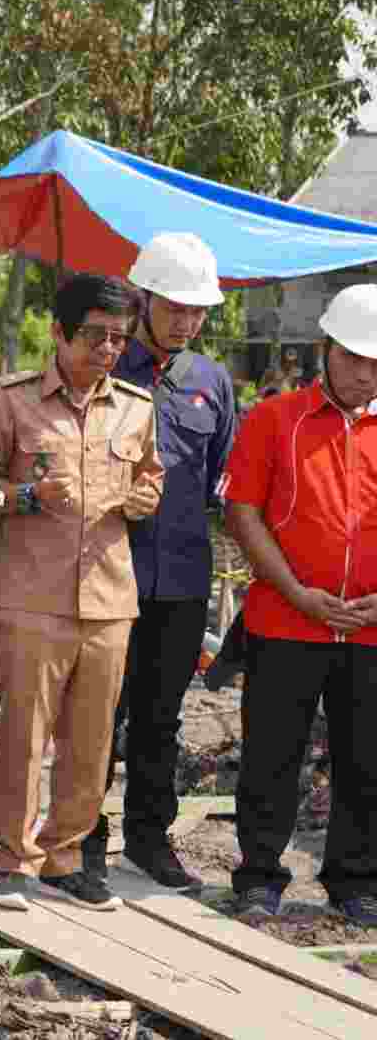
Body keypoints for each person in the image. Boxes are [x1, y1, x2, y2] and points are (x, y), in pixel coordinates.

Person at [0, 274, 163, 912]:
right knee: (23, 736)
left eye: (119, 339)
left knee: (90, 741)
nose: (108, 350)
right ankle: (14, 861)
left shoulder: (137, 407)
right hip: (32, 594)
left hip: (110, 598)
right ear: (58, 332)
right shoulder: (10, 403)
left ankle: (66, 858)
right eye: (95, 335)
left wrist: (146, 496)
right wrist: (29, 496)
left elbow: (149, 478)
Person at [82, 234, 236, 890]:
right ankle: (81, 838)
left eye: (198, 311)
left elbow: (223, 481)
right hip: (105, 573)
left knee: (160, 717)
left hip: (180, 578)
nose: (186, 321)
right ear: (143, 297)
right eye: (175, 307)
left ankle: (149, 837)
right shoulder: (104, 369)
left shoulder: (212, 383)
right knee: (96, 710)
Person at [220, 283, 377, 924]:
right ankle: (259, 875)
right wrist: (295, 592)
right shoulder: (275, 419)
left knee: (366, 760)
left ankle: (356, 880)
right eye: (353, 360)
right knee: (271, 755)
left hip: (369, 631)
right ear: (325, 350)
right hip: (285, 623)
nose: (365, 375)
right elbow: (243, 510)